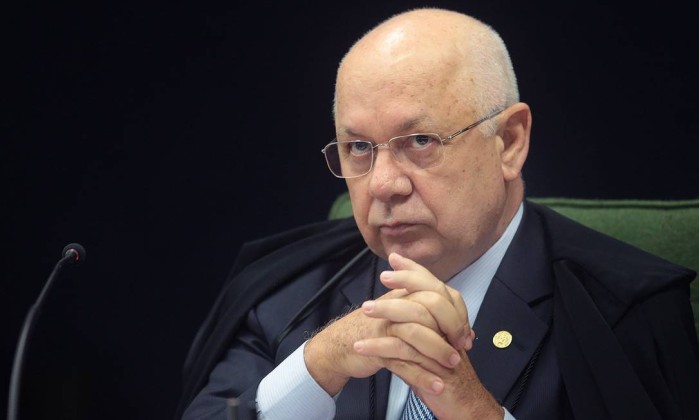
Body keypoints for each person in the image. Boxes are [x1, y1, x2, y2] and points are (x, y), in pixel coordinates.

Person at [175, 7, 699, 420]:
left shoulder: (622, 310)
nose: (383, 184)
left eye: (421, 141)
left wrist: (473, 409)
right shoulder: (285, 291)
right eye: (359, 148)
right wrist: (318, 366)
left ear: (510, 141)